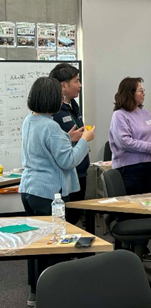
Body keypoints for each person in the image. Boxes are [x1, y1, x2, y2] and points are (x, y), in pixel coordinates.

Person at [19, 77, 95, 307]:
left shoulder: (30, 120)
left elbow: (44, 147)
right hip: (49, 193)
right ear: (52, 99)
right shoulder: (51, 127)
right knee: (54, 246)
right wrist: (84, 141)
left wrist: (68, 138)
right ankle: (53, 296)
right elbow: (68, 161)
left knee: (37, 243)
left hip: (29, 189)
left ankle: (35, 293)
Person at [49, 63, 90, 224]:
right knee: (66, 220)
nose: (80, 85)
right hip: (65, 175)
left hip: (80, 171)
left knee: (75, 217)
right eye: (76, 81)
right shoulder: (53, 111)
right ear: (63, 86)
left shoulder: (73, 105)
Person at [109, 77, 151, 197]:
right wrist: (150, 148)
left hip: (148, 166)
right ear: (130, 93)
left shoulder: (145, 112)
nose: (144, 94)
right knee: (132, 204)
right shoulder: (119, 115)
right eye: (141, 91)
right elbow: (124, 142)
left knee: (148, 201)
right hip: (130, 169)